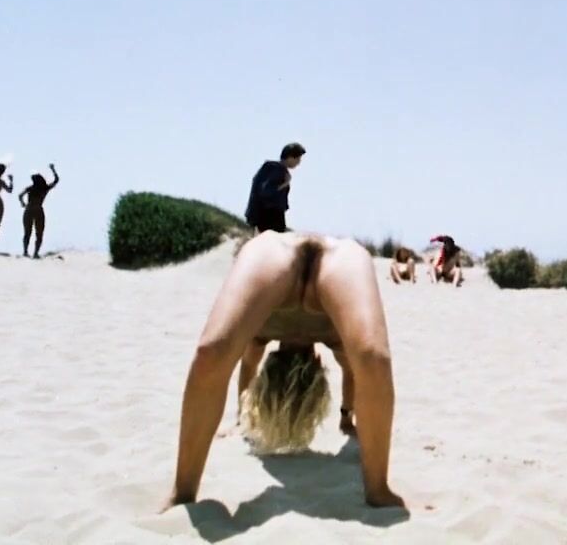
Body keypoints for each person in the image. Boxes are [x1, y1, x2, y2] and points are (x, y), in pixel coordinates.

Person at [164, 231, 403, 510]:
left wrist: (241, 419)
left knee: (212, 352)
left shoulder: (260, 336)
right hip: (338, 259)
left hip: (277, 252)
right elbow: (354, 375)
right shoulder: (333, 339)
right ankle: (378, 490)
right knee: (372, 359)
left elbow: (246, 370)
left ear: (317, 364)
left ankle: (183, 492)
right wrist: (345, 418)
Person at [244, 143, 306, 233]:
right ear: (290, 157)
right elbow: (266, 191)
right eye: (298, 159)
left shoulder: (274, 168)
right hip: (269, 216)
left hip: (267, 215)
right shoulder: (277, 169)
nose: (298, 163)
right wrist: (285, 184)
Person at [19, 164, 60, 259]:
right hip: (38, 210)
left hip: (29, 209)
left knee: (27, 232)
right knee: (39, 233)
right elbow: (56, 180)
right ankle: (35, 253)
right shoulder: (44, 188)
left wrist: (23, 203)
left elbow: (20, 196)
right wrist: (53, 170)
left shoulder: (30, 188)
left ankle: (25, 251)